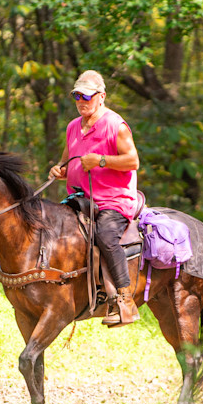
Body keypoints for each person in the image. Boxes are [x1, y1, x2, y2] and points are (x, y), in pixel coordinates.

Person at [49, 70, 141, 326]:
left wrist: (101, 161)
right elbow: (67, 161)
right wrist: (59, 170)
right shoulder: (73, 127)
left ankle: (125, 300)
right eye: (77, 96)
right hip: (79, 199)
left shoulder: (115, 125)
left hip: (113, 201)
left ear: (101, 96)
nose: (82, 101)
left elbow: (133, 161)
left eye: (87, 96)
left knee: (105, 235)